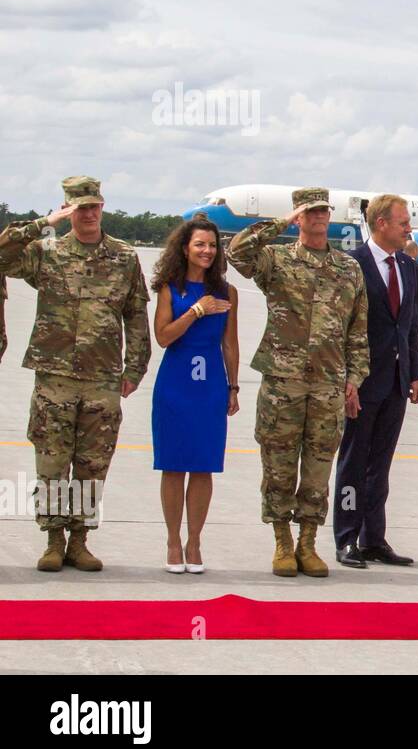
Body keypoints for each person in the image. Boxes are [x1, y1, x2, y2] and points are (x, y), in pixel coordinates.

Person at [0, 176, 151, 571]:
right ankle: (53, 540)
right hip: (54, 376)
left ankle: (79, 540)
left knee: (91, 464)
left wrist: (136, 366)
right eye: (79, 207)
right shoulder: (46, 252)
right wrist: (42, 224)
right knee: (52, 463)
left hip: (102, 378)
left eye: (93, 206)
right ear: (66, 210)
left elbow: (136, 315)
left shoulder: (123, 256)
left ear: (102, 207)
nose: (88, 214)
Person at [228, 187, 369, 578]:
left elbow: (358, 330)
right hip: (283, 381)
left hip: (328, 383)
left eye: (323, 210)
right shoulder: (276, 259)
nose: (319, 216)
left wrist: (354, 377)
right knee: (278, 466)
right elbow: (237, 253)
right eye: (310, 211)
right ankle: (282, 543)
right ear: (299, 216)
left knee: (319, 469)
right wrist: (280, 224)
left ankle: (308, 543)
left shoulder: (348, 268)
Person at [333, 195, 418, 569]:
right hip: (362, 381)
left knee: (381, 465)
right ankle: (346, 537)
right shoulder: (352, 264)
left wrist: (416, 373)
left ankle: (374, 537)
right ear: (382, 223)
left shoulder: (408, 267)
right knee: (354, 463)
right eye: (403, 222)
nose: (409, 228)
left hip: (397, 383)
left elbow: (410, 327)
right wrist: (346, 380)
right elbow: (339, 328)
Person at [151, 216, 239, 574]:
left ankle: (195, 540)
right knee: (173, 466)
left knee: (204, 466)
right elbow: (164, 336)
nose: (207, 251)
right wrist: (196, 310)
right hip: (175, 385)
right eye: (200, 244)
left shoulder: (227, 292)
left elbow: (230, 343)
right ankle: (173, 541)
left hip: (210, 387)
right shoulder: (169, 288)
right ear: (185, 248)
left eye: (212, 245)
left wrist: (233, 386)